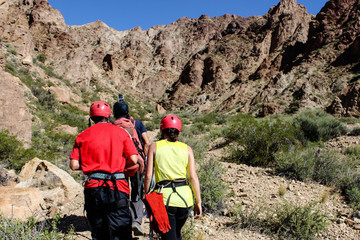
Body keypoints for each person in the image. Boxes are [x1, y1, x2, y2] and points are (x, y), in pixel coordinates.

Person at [69, 101, 143, 240]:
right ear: (108, 116)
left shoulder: (82, 135)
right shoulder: (121, 132)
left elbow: (73, 165)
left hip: (94, 188)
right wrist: (120, 166)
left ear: (91, 117)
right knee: (121, 231)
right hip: (118, 186)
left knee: (99, 231)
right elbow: (133, 159)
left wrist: (89, 166)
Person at [144, 114, 202, 240]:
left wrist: (146, 194)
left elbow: (148, 176)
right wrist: (198, 201)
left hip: (164, 199)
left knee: (169, 236)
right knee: (176, 234)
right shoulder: (187, 149)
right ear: (178, 132)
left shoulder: (154, 146)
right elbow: (193, 177)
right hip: (185, 200)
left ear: (161, 130)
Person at [113, 97, 150, 236]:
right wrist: (145, 160)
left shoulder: (112, 125)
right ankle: (137, 221)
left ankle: (121, 220)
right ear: (128, 111)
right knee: (137, 192)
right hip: (137, 162)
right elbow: (146, 142)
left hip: (118, 164)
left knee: (121, 191)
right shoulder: (137, 124)